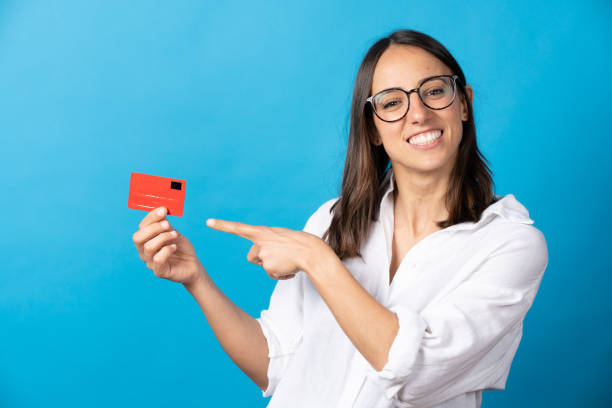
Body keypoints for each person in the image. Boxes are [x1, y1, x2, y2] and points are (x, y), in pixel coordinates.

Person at [132, 29, 548, 408]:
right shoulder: (334, 219)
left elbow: (414, 373)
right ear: (372, 129)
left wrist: (318, 259)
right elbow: (274, 362)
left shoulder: (510, 245)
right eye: (392, 102)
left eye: (434, 91)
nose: (418, 114)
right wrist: (196, 280)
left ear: (464, 105)